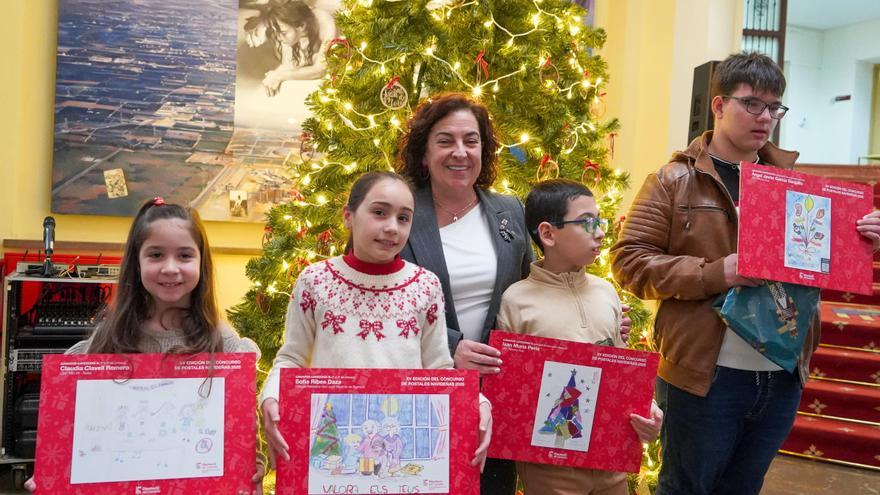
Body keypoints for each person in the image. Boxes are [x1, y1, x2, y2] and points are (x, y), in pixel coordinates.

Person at [610, 52, 880, 495]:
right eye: (752, 104)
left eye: (775, 107)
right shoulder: (674, 179)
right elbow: (630, 261)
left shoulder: (795, 184)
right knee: (685, 489)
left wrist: (863, 237)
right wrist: (718, 272)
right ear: (718, 105)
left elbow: (823, 260)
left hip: (781, 373)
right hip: (705, 375)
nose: (766, 117)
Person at [396, 93, 633, 493]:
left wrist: (598, 321)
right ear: (423, 152)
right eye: (445, 141)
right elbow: (376, 300)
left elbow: (534, 290)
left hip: (499, 392)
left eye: (471, 141)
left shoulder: (507, 210)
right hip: (422, 386)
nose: (460, 152)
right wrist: (450, 346)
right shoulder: (398, 211)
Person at [24, 198, 264, 495]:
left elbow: (242, 431)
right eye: (156, 255)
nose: (170, 268)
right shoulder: (110, 337)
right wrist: (51, 474)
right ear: (136, 262)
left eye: (185, 255)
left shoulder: (222, 342)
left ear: (202, 262)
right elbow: (73, 424)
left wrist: (250, 469)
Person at [259, 171, 493, 472]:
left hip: (400, 453)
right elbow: (291, 358)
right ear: (348, 216)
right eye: (379, 212)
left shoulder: (425, 286)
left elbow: (439, 370)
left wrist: (479, 402)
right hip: (332, 454)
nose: (391, 228)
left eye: (403, 218)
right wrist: (272, 397)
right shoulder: (315, 281)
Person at [497, 179, 663, 494]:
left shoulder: (606, 292)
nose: (601, 232)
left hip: (609, 461)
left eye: (600, 222)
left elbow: (622, 371)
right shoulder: (517, 301)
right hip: (550, 468)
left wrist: (648, 409)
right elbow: (510, 393)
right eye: (588, 223)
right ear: (548, 233)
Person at [243, 0, 337, 95]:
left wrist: (280, 76)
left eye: (283, 33)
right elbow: (289, 64)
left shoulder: (326, 25)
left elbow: (320, 69)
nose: (279, 38)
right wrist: (276, 74)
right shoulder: (290, 23)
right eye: (276, 32)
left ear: (302, 26)